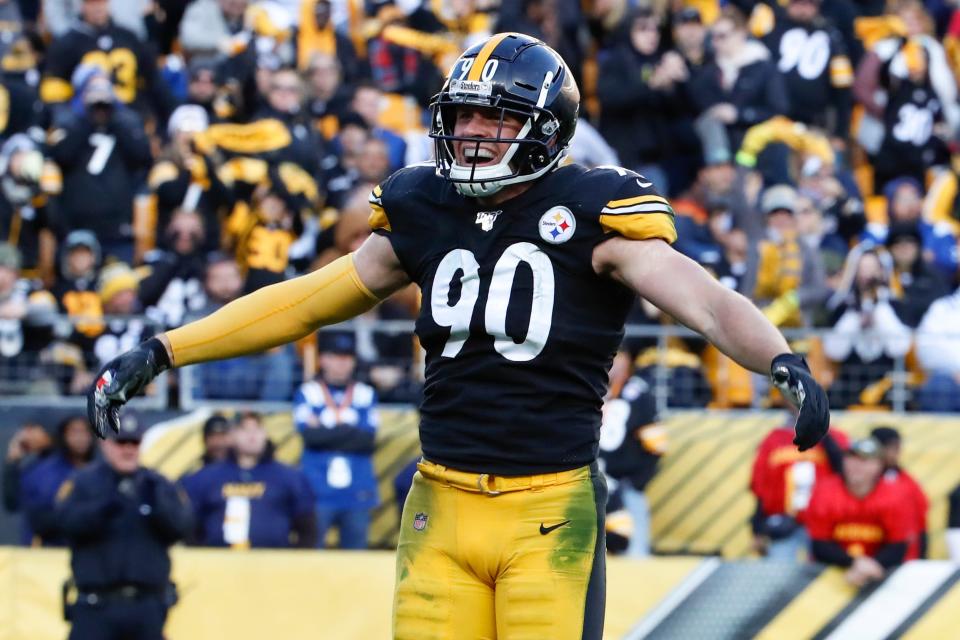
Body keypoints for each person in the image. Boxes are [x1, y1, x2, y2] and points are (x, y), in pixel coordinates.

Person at [89, 33, 830, 640]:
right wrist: (165, 349)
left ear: (546, 128)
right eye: (465, 115)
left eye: (496, 117)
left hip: (548, 511)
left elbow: (704, 302)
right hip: (438, 503)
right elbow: (308, 301)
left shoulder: (598, 207)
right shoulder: (421, 204)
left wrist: (779, 359)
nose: (472, 132)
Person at [55, 414, 191, 640]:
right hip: (96, 605)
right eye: (121, 442)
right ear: (105, 443)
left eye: (134, 442)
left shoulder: (157, 484)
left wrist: (156, 508)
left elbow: (183, 527)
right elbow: (64, 523)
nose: (128, 450)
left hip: (146, 606)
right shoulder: (84, 483)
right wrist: (104, 508)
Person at [180, 411, 317, 549]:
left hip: (272, 565)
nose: (252, 436)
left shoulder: (290, 477)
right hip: (219, 565)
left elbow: (308, 528)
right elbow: (188, 526)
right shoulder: (205, 477)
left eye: (257, 429)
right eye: (245, 429)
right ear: (232, 435)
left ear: (265, 434)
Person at [293, 330, 379, 549]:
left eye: (347, 358)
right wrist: (349, 429)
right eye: (335, 357)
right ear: (323, 359)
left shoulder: (366, 393)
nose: (342, 363)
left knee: (356, 559)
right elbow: (310, 437)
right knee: (312, 556)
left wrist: (327, 431)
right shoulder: (308, 392)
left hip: (357, 491)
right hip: (317, 490)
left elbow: (367, 441)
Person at [805, 438, 911, 587]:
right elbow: (819, 544)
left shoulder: (894, 495)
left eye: (864, 461)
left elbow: (898, 545)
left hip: (879, 572)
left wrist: (871, 566)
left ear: (879, 466)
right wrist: (856, 563)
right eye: (851, 459)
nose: (856, 466)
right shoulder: (825, 491)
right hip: (832, 572)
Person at [750, 419, 848, 561]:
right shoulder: (773, 439)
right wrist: (758, 527)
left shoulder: (836, 436)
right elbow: (762, 485)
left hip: (824, 525)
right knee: (780, 572)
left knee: (824, 572)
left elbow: (844, 473)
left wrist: (821, 429)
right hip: (785, 525)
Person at [20, 414, 96, 546]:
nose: (80, 438)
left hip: (94, 550)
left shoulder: (103, 468)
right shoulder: (42, 472)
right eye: (74, 432)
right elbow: (38, 519)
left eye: (85, 432)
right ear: (63, 436)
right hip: (52, 550)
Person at [870, 426, 928, 560]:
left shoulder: (907, 483)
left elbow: (920, 524)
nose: (898, 453)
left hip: (901, 558)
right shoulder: (858, 481)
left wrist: (921, 557)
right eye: (893, 448)